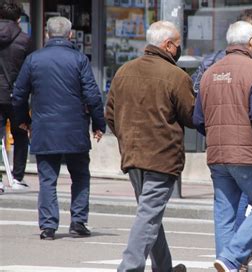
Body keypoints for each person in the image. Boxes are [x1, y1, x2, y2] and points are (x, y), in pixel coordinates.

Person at [191, 10, 252, 269]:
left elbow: (198, 119)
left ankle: (228, 264)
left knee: (224, 212)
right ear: (251, 43)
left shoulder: (209, 73)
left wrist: (216, 136)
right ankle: (231, 257)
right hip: (248, 153)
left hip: (217, 154)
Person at [105, 21, 193, 272]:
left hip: (133, 155)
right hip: (162, 156)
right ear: (168, 45)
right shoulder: (177, 76)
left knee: (150, 214)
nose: (178, 49)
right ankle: (129, 268)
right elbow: (192, 115)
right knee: (148, 215)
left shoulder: (124, 71)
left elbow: (110, 114)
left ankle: (163, 267)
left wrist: (125, 138)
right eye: (177, 44)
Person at [12, 16, 106, 240]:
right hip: (75, 128)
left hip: (44, 127)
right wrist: (99, 124)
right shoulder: (79, 59)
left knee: (47, 179)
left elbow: (19, 95)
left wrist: (23, 120)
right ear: (70, 35)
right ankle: (78, 222)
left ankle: (48, 226)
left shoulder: (34, 59)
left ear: (47, 34)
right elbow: (92, 95)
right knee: (81, 176)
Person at [0, 0, 33, 192]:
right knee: (20, 132)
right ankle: (17, 176)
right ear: (18, 19)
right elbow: (30, 69)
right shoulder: (24, 40)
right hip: (16, 94)